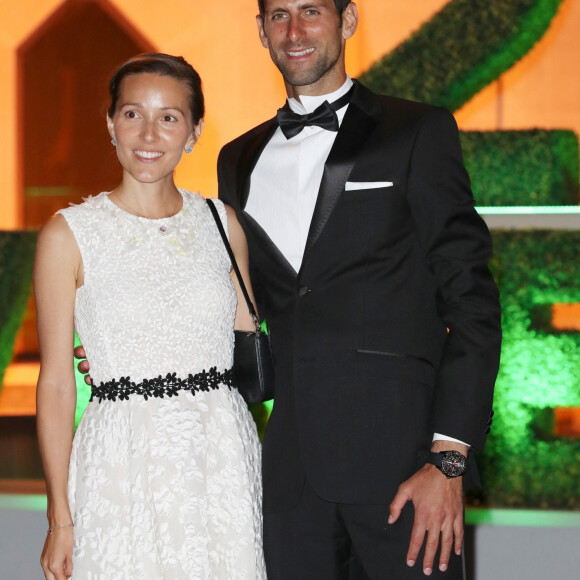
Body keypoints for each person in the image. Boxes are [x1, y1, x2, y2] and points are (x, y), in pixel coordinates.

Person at [216, 1, 502, 578]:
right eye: (279, 16)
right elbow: (240, 308)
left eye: (312, 11)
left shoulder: (417, 131)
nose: (294, 32)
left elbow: (471, 302)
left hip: (405, 473)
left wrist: (448, 462)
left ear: (348, 21)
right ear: (261, 30)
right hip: (290, 480)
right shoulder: (237, 158)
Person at [35, 53, 266, 580]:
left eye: (169, 117)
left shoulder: (221, 223)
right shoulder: (68, 234)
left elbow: (247, 337)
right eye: (133, 113)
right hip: (119, 456)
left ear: (194, 131)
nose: (149, 133)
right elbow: (54, 385)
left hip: (221, 457)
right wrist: (59, 518)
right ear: (110, 123)